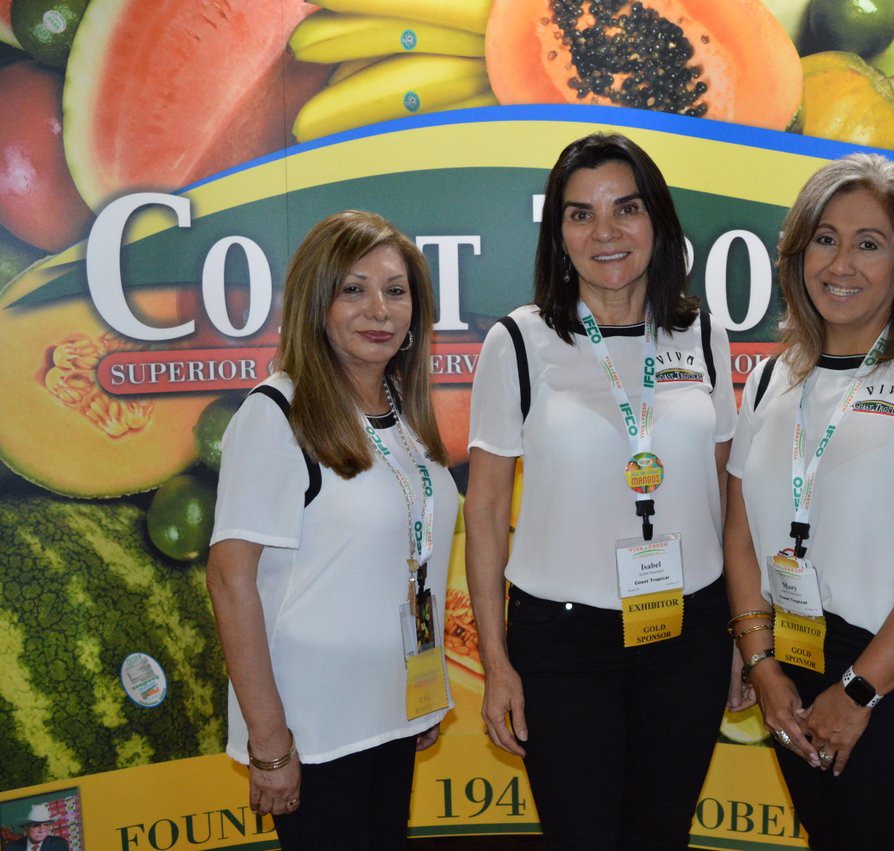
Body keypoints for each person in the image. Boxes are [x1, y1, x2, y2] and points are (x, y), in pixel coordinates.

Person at [723, 153, 894, 850]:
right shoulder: (770, 379)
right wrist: (761, 663)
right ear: (798, 253)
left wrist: (856, 691)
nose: (841, 264)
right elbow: (740, 534)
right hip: (795, 659)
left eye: (869, 244)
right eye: (825, 239)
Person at [466, 132, 738, 850]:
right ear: (559, 235)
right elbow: (486, 510)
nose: (605, 232)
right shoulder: (519, 342)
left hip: (689, 632)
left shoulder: (702, 332)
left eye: (626, 208)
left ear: (658, 221)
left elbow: (724, 490)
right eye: (581, 214)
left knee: (661, 835)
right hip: (563, 645)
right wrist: (496, 661)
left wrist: (745, 633)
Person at [207, 210, 457, 850]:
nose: (379, 310)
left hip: (390, 713)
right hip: (315, 732)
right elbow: (231, 582)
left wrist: (422, 690)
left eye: (395, 291)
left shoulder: (402, 411)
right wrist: (270, 744)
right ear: (316, 303)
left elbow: (410, 565)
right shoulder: (276, 413)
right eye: (353, 289)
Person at [4, 804, 69, 851]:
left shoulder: (59, 845)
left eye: (46, 825)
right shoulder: (10, 848)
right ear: (26, 828)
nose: (42, 830)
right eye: (36, 825)